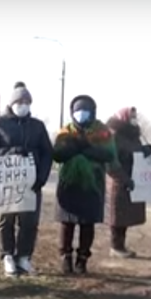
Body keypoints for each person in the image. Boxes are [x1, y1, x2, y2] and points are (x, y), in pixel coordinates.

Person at [0, 81, 53, 277]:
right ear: (12, 103)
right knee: (6, 220)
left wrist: (41, 177)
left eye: (27, 101)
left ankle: (24, 257)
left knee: (29, 222)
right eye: (20, 100)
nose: (23, 104)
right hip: (6, 183)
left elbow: (47, 153)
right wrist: (10, 152)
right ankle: (7, 256)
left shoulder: (38, 126)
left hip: (31, 183)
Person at [52, 96, 116, 274]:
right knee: (67, 222)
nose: (81, 115)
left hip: (92, 184)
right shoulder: (65, 132)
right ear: (72, 113)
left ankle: (82, 259)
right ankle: (66, 257)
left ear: (93, 112)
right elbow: (57, 154)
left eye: (85, 111)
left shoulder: (103, 132)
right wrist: (73, 148)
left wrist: (87, 148)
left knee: (88, 223)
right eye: (78, 111)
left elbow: (109, 154)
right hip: (69, 183)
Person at [104, 107, 151, 258]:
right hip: (119, 181)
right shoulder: (114, 135)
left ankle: (121, 246)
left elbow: (133, 152)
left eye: (135, 116)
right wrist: (123, 178)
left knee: (124, 216)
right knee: (117, 216)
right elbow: (110, 161)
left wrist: (144, 151)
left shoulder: (133, 135)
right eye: (131, 116)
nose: (134, 118)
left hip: (131, 179)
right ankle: (116, 247)